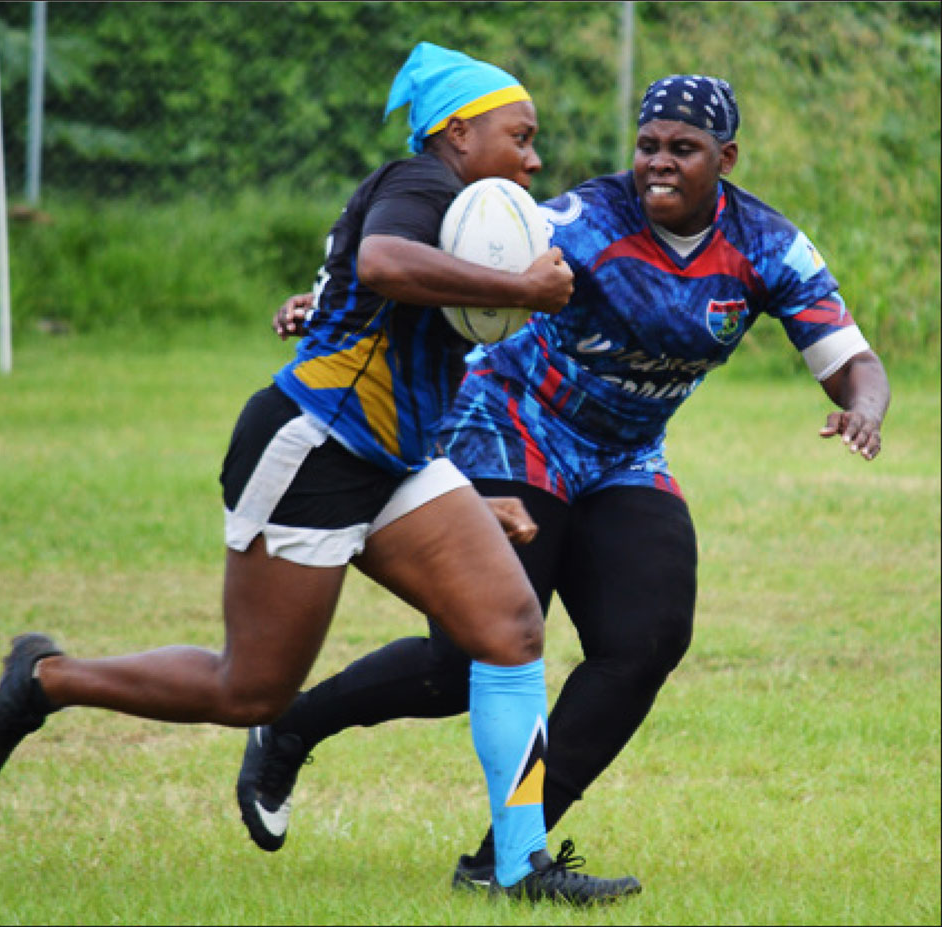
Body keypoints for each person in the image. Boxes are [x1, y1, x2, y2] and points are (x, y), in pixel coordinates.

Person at [0, 41, 642, 905]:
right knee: (249, 688)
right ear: (459, 133)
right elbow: (380, 267)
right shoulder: (421, 182)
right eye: (521, 135)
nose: (535, 157)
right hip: (313, 450)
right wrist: (519, 291)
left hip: (397, 460)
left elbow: (358, 298)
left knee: (510, 629)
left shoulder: (449, 197)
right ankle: (48, 678)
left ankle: (519, 866)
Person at [235, 73, 891, 889]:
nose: (659, 163)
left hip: (626, 454)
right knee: (459, 662)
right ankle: (291, 728)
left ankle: (507, 854)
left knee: (645, 639)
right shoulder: (585, 220)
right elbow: (456, 261)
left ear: (725, 159)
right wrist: (337, 302)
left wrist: (863, 407)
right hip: (515, 422)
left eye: (683, 150)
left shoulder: (767, 246)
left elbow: (851, 359)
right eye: (648, 145)